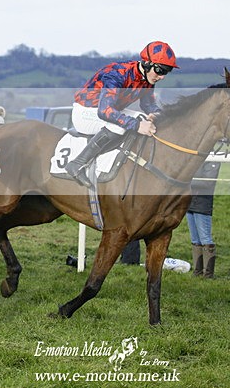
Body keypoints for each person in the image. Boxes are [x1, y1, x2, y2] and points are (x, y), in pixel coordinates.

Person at [64, 40, 178, 188]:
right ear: (147, 64)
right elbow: (105, 111)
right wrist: (137, 126)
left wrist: (156, 114)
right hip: (85, 112)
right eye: (160, 70)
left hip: (106, 110)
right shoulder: (116, 74)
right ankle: (77, 164)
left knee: (142, 118)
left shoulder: (148, 78)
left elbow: (147, 104)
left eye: (166, 72)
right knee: (120, 126)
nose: (162, 76)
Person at [188, 160, 221, 278]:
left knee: (205, 238)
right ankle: (197, 271)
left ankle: (208, 274)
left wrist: (186, 179)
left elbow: (207, 183)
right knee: (195, 239)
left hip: (202, 205)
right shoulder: (197, 159)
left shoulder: (213, 160)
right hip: (190, 203)